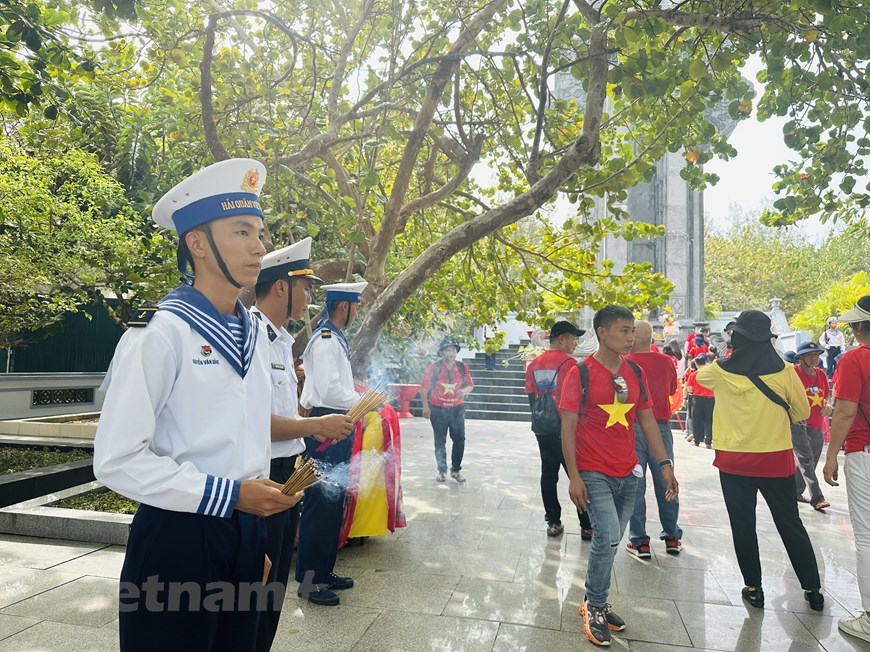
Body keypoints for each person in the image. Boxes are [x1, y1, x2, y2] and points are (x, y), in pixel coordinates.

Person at [93, 159, 302, 651]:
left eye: (260, 233)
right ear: (199, 244)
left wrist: (250, 541)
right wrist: (230, 499)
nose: (260, 247)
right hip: (177, 539)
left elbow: (246, 439)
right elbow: (116, 460)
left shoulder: (252, 332)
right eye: (242, 231)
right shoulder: (160, 336)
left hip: (244, 535)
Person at [251, 239, 355, 649]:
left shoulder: (279, 339)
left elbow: (285, 402)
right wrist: (313, 426)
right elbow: (254, 421)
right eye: (306, 287)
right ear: (281, 287)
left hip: (289, 465)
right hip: (266, 471)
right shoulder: (255, 336)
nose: (312, 298)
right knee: (258, 589)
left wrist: (306, 426)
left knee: (273, 586)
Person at [559, 305, 678, 647]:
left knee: (610, 541)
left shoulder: (635, 372)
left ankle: (594, 599)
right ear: (602, 332)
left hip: (630, 472)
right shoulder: (579, 373)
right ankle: (595, 606)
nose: (631, 338)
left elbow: (647, 420)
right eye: (624, 331)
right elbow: (567, 428)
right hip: (592, 471)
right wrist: (573, 476)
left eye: (632, 331)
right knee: (608, 535)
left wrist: (664, 464)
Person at [696, 310, 823, 612]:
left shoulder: (719, 370)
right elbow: (803, 411)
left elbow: (698, 377)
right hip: (775, 459)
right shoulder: (785, 371)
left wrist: (729, 353)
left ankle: (754, 588)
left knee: (743, 524)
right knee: (790, 523)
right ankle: (813, 589)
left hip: (733, 462)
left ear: (736, 337)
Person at [295, 281, 368, 607]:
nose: (356, 313)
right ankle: (310, 582)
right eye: (356, 307)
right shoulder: (326, 341)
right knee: (320, 504)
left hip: (337, 424)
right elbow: (327, 391)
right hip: (325, 423)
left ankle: (324, 571)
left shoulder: (334, 339)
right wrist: (362, 398)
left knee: (332, 502)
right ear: (345, 307)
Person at [823, 296, 870, 643]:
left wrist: (831, 455)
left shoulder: (856, 359)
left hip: (864, 451)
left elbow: (844, 412)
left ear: (857, 328)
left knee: (867, 536)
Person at [525, 320, 593, 539]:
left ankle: (553, 522)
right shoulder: (570, 364)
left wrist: (539, 421)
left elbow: (531, 396)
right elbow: (576, 399)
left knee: (548, 474)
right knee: (577, 475)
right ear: (561, 338)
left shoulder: (534, 363)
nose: (576, 343)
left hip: (543, 428)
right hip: (566, 429)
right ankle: (586, 525)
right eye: (573, 338)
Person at [626, 320, 683, 557]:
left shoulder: (624, 363)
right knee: (665, 482)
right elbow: (671, 391)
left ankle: (640, 541)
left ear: (632, 339)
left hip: (632, 429)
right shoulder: (666, 362)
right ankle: (671, 536)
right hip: (660, 428)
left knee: (635, 485)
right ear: (651, 339)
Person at [421, 338, 474, 483]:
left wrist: (464, 391)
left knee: (459, 440)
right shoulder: (433, 367)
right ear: (442, 353)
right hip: (437, 409)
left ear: (456, 352)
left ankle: (456, 470)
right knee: (440, 441)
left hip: (457, 409)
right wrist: (425, 407)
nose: (450, 353)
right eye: (447, 350)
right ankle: (442, 471)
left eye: (452, 349)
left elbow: (470, 385)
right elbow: (424, 388)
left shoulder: (463, 367)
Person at [789, 341, 831, 512]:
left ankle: (795, 491)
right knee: (806, 459)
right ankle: (817, 498)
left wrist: (828, 404)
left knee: (810, 460)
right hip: (797, 423)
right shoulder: (792, 373)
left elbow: (826, 395)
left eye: (816, 355)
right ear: (800, 357)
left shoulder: (820, 374)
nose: (814, 358)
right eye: (809, 355)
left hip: (816, 423)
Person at [686, 355, 715, 449]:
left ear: (697, 364)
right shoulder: (711, 374)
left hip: (698, 399)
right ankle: (708, 441)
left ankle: (697, 440)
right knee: (709, 421)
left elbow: (689, 389)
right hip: (711, 398)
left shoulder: (694, 374)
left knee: (697, 420)